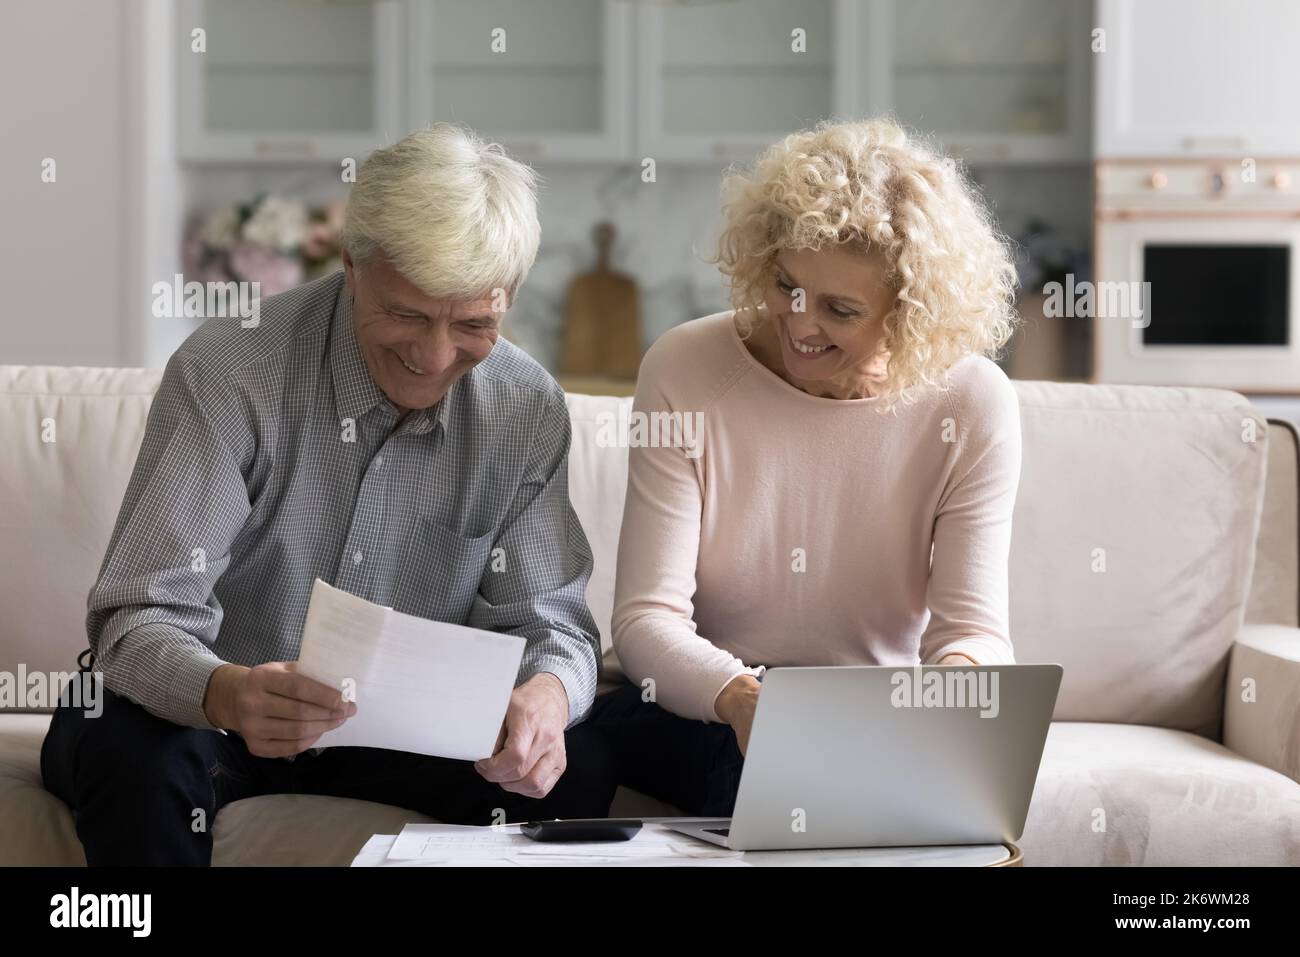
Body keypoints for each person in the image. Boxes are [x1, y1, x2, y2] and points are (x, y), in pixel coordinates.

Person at [41, 124, 615, 865]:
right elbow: (137, 615)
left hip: (412, 737)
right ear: (351, 263)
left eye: (473, 323)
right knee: (129, 745)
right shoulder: (230, 372)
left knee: (581, 764)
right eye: (406, 313)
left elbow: (553, 625)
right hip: (216, 714)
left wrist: (546, 697)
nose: (434, 356)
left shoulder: (524, 408)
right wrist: (225, 692)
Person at [591, 118, 1023, 817]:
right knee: (768, 775)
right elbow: (645, 619)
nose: (799, 322)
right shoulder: (684, 369)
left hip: (871, 714)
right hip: (708, 705)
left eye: (840, 309)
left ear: (910, 315)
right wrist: (744, 699)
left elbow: (972, 632)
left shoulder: (972, 402)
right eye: (787, 285)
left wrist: (951, 699)